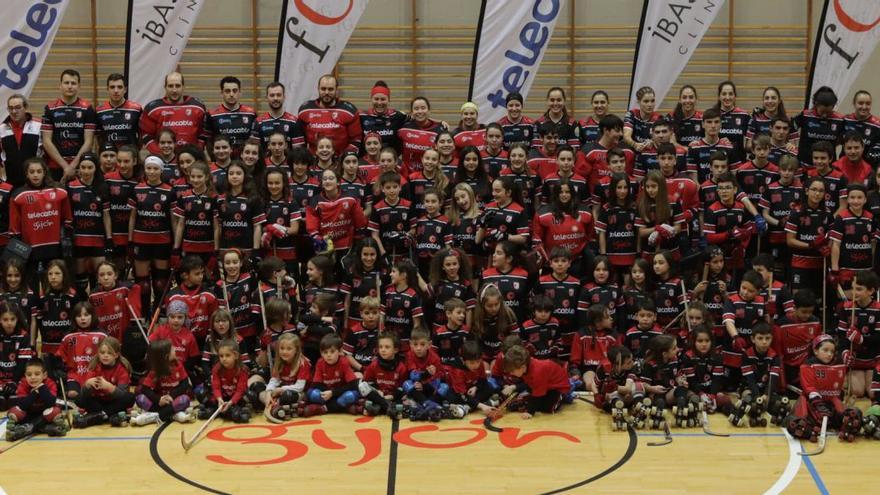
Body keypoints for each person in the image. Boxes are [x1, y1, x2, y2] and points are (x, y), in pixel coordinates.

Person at [9, 157, 72, 282]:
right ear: (26, 174)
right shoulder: (18, 195)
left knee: (54, 282)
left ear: (44, 172)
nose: (35, 175)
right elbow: (14, 228)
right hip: (29, 250)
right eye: (32, 172)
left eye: (39, 171)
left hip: (55, 248)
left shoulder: (59, 192)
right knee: (32, 282)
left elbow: (68, 219)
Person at [128, 156, 174, 316]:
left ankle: (159, 312)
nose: (152, 171)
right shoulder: (137, 189)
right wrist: (130, 239)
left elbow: (173, 219)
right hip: (141, 240)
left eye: (155, 168)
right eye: (149, 168)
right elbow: (133, 216)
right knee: (142, 281)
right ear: (145, 169)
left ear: (161, 170)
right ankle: (145, 312)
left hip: (162, 240)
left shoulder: (169, 190)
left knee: (161, 280)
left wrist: (175, 244)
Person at [67, 153, 112, 296]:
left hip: (97, 238)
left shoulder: (102, 187)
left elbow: (106, 215)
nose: (86, 171)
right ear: (79, 169)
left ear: (96, 168)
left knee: (97, 275)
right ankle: (81, 307)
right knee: (80, 279)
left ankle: (96, 306)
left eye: (90, 167)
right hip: (78, 239)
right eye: (83, 167)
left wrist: (109, 238)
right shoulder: (71, 187)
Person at [41, 69, 97, 181]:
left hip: (80, 166)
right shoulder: (50, 108)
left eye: (73, 83)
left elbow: (89, 142)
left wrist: (72, 166)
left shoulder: (87, 109)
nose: (70, 86)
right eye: (66, 83)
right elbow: (46, 141)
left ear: (79, 86)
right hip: (55, 165)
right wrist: (65, 166)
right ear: (60, 86)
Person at [140, 72, 208, 154]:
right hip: (164, 158)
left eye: (178, 86)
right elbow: (146, 135)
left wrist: (197, 151)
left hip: (191, 157)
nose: (174, 90)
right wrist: (159, 153)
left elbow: (203, 133)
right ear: (165, 87)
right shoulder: (153, 108)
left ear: (183, 87)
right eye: (170, 86)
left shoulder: (198, 107)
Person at [75, 336, 135, 427]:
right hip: (98, 402)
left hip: (114, 402)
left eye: (109, 353)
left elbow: (122, 395)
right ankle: (107, 415)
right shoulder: (94, 366)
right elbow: (84, 395)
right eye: (102, 353)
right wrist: (88, 385)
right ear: (98, 353)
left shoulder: (122, 369)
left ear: (116, 355)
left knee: (130, 397)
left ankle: (97, 416)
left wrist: (109, 387)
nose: (105, 355)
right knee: (78, 398)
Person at [838, 270, 880, 399]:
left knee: (873, 393)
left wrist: (861, 339)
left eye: (859, 289)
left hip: (873, 359)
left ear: (871, 291)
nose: (854, 292)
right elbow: (841, 336)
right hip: (855, 360)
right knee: (857, 392)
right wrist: (844, 352)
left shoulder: (878, 309)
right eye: (853, 288)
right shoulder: (846, 307)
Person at [133, 339, 194, 425]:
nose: (175, 349)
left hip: (172, 400)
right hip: (159, 402)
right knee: (140, 398)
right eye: (172, 349)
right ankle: (172, 414)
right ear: (166, 356)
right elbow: (145, 389)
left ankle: (154, 416)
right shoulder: (155, 371)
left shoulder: (178, 365)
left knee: (185, 399)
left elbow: (185, 384)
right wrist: (158, 399)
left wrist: (171, 396)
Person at [298, 74, 361, 155]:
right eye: (323, 89)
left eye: (330, 89)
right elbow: (299, 140)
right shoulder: (305, 110)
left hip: (340, 162)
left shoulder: (349, 111)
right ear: (318, 89)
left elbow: (356, 139)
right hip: (313, 162)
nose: (326, 92)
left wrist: (345, 158)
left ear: (336, 90)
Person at [5, 358, 66, 440]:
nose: (33, 377)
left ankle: (28, 428)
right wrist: (35, 393)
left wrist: (42, 388)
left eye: (37, 374)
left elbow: (51, 402)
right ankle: (43, 428)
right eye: (29, 375)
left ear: (44, 375)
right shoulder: (23, 383)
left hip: (44, 416)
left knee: (55, 411)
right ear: (25, 375)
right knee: (14, 411)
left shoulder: (50, 383)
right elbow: (22, 405)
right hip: (29, 414)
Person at [504, 345, 571, 419]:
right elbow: (529, 384)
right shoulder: (526, 367)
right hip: (546, 387)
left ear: (522, 367)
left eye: (512, 371)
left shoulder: (537, 371)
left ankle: (526, 403)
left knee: (549, 408)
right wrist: (514, 387)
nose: (511, 373)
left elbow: (537, 394)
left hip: (559, 388)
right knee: (533, 396)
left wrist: (530, 412)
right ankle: (526, 402)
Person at [772, 290, 820, 391]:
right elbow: (778, 355)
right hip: (788, 368)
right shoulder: (781, 325)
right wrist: (781, 382)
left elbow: (818, 349)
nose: (807, 315)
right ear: (794, 308)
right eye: (804, 312)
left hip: (807, 366)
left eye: (810, 312)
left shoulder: (815, 322)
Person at [303, 333, 361, 416]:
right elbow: (316, 384)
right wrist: (328, 393)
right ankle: (343, 407)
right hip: (327, 394)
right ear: (321, 353)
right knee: (311, 393)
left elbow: (353, 384)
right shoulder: (320, 362)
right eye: (325, 352)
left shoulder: (344, 362)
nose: (328, 355)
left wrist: (333, 393)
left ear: (340, 351)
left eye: (332, 351)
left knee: (352, 395)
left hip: (340, 393)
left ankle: (323, 409)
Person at [199, 339, 251, 423]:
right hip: (223, 398)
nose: (224, 359)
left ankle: (231, 411)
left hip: (235, 399)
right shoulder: (217, 368)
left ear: (236, 355)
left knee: (250, 395)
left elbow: (240, 390)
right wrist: (219, 399)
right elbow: (216, 387)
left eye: (227, 355)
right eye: (221, 356)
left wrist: (231, 402)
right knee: (202, 393)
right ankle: (227, 412)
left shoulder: (243, 370)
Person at [360, 331, 408, 417]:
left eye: (387, 347)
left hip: (393, 398)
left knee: (405, 402)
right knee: (362, 386)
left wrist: (392, 396)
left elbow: (402, 388)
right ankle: (387, 408)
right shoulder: (374, 365)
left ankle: (381, 408)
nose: (383, 350)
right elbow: (368, 382)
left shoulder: (401, 367)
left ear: (396, 350)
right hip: (377, 396)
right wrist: (377, 391)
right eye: (381, 347)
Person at [0, 93, 42, 189]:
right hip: (10, 182)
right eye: (11, 108)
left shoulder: (38, 125)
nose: (14, 111)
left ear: (25, 107)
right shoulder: (1, 129)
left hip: (35, 181)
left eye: (18, 107)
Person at [206, 76, 256, 156]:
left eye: (235, 91)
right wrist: (214, 159)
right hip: (222, 161)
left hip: (245, 161)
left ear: (240, 92)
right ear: (221, 93)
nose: (231, 94)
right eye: (227, 91)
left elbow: (255, 140)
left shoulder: (251, 113)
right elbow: (208, 142)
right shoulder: (212, 115)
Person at [398, 96, 447, 174]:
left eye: (423, 108)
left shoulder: (440, 129)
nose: (420, 111)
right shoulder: (403, 127)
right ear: (412, 112)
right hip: (408, 176)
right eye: (416, 109)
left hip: (431, 176)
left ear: (429, 111)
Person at [252, 81, 304, 151]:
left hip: (288, 162)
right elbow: (254, 150)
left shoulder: (294, 122)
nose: (275, 98)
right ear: (266, 97)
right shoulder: (258, 122)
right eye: (272, 95)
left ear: (284, 97)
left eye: (279, 95)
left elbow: (298, 152)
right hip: (265, 162)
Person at [687, 108, 735, 183]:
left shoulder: (729, 147)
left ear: (721, 124)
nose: (713, 125)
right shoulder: (694, 147)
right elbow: (693, 179)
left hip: (724, 191)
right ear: (703, 124)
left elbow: (733, 176)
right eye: (709, 122)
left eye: (716, 122)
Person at [0, 302, 32, 412]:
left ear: (17, 319)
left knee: (14, 401)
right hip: (1, 377)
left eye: (12, 319)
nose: (9, 323)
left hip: (17, 377)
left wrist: (13, 382)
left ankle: (13, 395)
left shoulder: (23, 335)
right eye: (5, 320)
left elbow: (23, 363)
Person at [96, 73, 142, 148]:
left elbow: (141, 136)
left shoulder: (136, 109)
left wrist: (135, 151)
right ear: (107, 89)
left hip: (129, 156)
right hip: (109, 157)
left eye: (120, 87)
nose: (116, 90)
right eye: (112, 87)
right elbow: (98, 137)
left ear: (125, 89)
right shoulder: (99, 111)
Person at [359, 81, 407, 152]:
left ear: (389, 100)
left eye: (383, 99)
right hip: (368, 160)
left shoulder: (399, 116)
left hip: (390, 161)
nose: (379, 102)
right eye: (376, 99)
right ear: (371, 99)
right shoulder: (362, 117)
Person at [746, 86, 789, 152]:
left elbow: (794, 145)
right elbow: (748, 146)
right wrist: (764, 143)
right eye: (767, 98)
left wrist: (790, 146)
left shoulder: (787, 120)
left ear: (779, 101)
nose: (770, 101)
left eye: (773, 98)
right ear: (763, 101)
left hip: (782, 160)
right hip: (761, 159)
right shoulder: (755, 119)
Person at [844, 90, 880, 166]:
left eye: (868, 104)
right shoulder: (845, 120)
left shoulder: (877, 125)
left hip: (868, 168)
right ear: (854, 104)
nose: (864, 107)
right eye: (860, 103)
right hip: (845, 166)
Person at [623, 86, 661, 151]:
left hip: (651, 154)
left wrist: (653, 141)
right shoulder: (631, 114)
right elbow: (626, 136)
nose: (650, 104)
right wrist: (635, 144)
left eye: (652, 101)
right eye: (646, 101)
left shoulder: (659, 118)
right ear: (638, 102)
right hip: (633, 151)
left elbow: (661, 140)